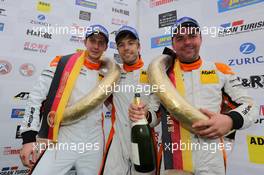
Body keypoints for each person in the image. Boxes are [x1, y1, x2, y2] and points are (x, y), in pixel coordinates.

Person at [159, 17, 257, 175]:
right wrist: (144, 115)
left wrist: (230, 120)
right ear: (173, 44)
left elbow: (250, 106)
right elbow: (154, 113)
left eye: (192, 36)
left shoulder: (219, 69)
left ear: (200, 39)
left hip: (212, 158)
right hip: (175, 157)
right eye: (180, 38)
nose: (187, 42)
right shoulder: (163, 74)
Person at [19, 24, 109, 175]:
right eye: (93, 40)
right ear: (85, 41)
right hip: (64, 138)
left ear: (106, 46)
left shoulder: (107, 71)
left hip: (94, 141)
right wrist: (28, 138)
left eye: (101, 42)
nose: (96, 46)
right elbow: (36, 97)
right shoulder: (62, 62)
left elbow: (115, 106)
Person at [101, 26, 160, 175]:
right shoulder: (113, 73)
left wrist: (146, 115)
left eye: (130, 43)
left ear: (139, 46)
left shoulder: (153, 72)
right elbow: (105, 99)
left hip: (144, 141)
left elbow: (157, 114)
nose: (126, 48)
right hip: (117, 143)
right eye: (121, 44)